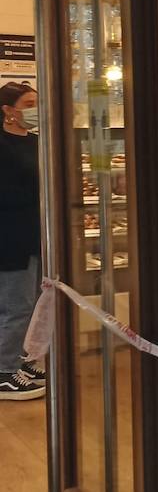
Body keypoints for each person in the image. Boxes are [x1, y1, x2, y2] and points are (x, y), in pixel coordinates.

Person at [0, 82, 44, 400]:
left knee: (29, 304)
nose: (34, 110)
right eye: (28, 103)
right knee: (16, 306)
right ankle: (4, 372)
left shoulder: (37, 142)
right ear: (8, 110)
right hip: (9, 238)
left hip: (34, 236)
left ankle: (19, 361)